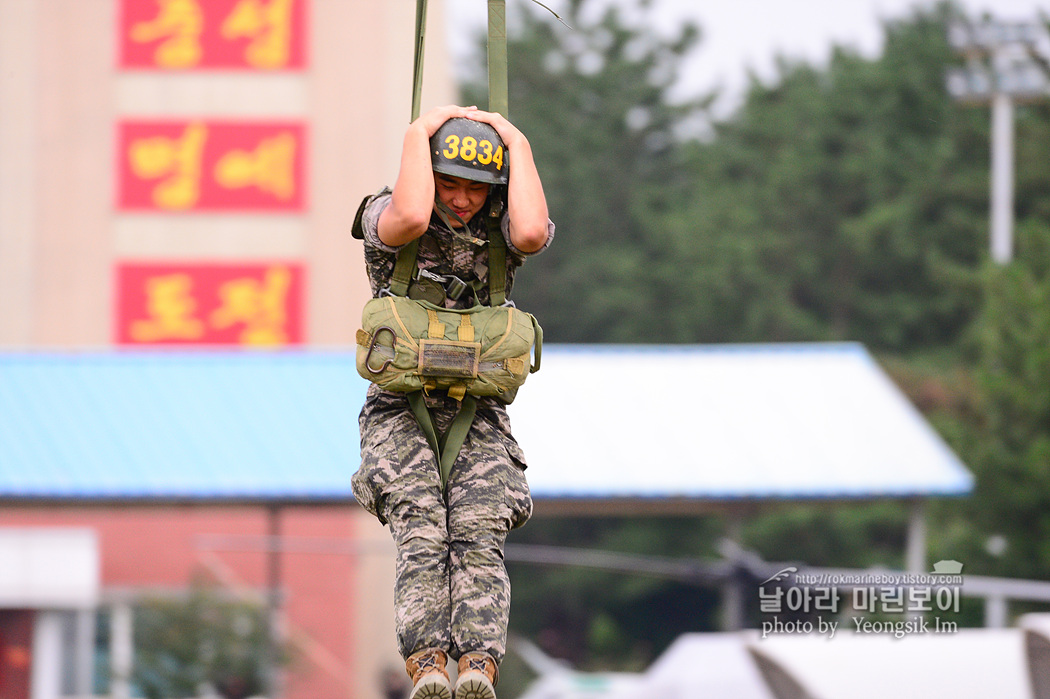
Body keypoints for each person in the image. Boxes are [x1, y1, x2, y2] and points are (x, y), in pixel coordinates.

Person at [351, 104, 554, 699]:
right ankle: (428, 665)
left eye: (477, 186)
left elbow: (531, 234)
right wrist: (420, 131)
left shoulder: (499, 231)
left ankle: (478, 670)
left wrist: (515, 138)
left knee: (477, 527)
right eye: (450, 182)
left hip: (479, 411)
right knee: (421, 526)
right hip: (398, 410)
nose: (463, 198)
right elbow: (411, 215)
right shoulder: (384, 216)